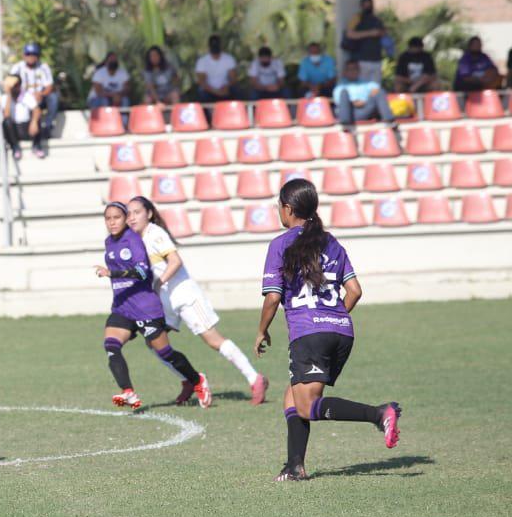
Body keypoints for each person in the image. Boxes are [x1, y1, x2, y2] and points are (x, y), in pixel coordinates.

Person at [254, 178, 401, 482]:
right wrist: (332, 317)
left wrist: (261, 331)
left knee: (306, 405)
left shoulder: (280, 244)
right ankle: (295, 466)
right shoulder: (331, 241)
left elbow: (272, 297)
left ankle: (378, 413)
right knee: (293, 397)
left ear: (288, 208)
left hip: (310, 335)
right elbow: (355, 291)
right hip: (342, 331)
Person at [126, 196, 269, 405]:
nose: (132, 217)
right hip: (164, 302)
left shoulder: (155, 234)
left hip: (184, 295)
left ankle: (254, 378)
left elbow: (175, 261)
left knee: (213, 340)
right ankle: (188, 380)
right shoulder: (135, 240)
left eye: (137, 212)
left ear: (148, 213)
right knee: (153, 342)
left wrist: (158, 284)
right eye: (129, 213)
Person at [94, 202, 210, 410]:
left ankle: (196, 380)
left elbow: (142, 272)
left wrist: (113, 273)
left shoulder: (134, 240)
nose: (112, 222)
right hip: (122, 307)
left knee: (165, 352)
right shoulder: (109, 242)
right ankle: (128, 392)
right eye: (108, 218)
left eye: (116, 217)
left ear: (125, 218)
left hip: (145, 307)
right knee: (111, 346)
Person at [9, 43, 58, 158]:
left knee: (53, 98)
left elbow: (49, 86)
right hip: (23, 98)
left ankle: (48, 127)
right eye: (28, 54)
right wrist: (25, 96)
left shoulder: (43, 67)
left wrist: (41, 94)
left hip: (39, 97)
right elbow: (11, 85)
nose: (31, 57)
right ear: (24, 55)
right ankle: (25, 145)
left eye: (34, 54)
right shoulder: (17, 68)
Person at [333, 60, 398, 141]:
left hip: (365, 109)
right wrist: (354, 102)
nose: (352, 72)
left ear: (359, 71)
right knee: (344, 93)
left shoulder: (366, 83)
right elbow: (339, 101)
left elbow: (376, 89)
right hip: (350, 112)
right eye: (350, 69)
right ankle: (345, 126)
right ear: (345, 72)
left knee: (380, 91)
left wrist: (368, 98)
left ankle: (390, 122)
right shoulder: (340, 85)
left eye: (355, 69)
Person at [343, 0, 387, 85]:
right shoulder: (357, 18)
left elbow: (384, 33)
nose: (368, 7)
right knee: (363, 85)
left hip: (376, 58)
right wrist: (370, 33)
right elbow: (349, 34)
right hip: (362, 58)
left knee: (375, 87)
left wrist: (379, 33)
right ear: (362, 6)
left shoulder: (376, 19)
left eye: (369, 5)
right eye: (366, 5)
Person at [1, 75, 43, 161]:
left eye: (15, 86)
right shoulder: (4, 98)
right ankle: (15, 148)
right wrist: (9, 95)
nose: (13, 88)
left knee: (37, 117)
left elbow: (37, 110)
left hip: (26, 128)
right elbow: (6, 115)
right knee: (6, 122)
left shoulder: (27, 96)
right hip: (14, 131)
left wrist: (34, 122)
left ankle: (37, 146)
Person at [194, 35, 238, 106]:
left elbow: (233, 78)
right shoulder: (202, 61)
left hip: (225, 88)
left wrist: (227, 86)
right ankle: (207, 116)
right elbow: (202, 82)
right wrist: (216, 91)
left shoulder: (229, 59)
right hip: (209, 89)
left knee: (236, 91)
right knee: (201, 93)